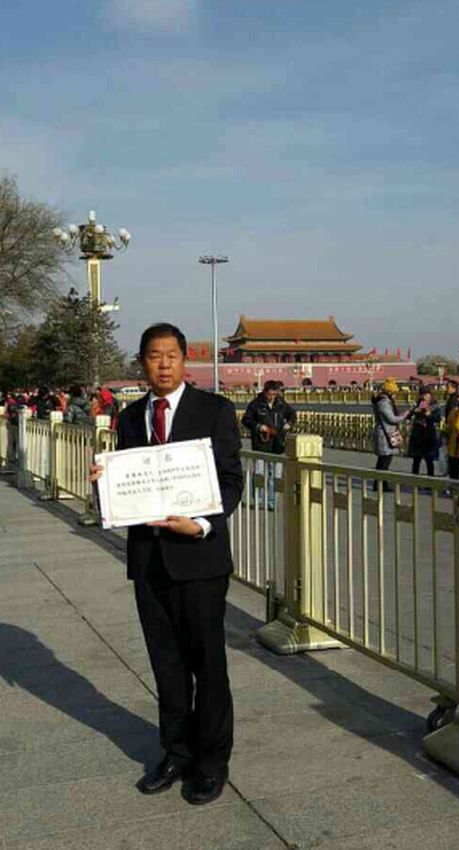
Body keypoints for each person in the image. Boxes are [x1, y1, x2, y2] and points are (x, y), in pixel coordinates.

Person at [90, 323, 243, 806]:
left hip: (199, 558)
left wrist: (201, 524)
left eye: (171, 355)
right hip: (149, 560)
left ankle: (211, 762)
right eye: (154, 356)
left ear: (184, 360)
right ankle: (176, 751)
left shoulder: (214, 411)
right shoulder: (130, 418)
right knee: (166, 664)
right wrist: (103, 483)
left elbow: (231, 481)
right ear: (142, 362)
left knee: (208, 664)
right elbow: (127, 487)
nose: (163, 364)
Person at [242, 380, 296, 508]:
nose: (272, 397)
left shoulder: (281, 403)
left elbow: (292, 415)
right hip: (261, 444)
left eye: (274, 394)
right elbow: (246, 420)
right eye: (270, 394)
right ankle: (258, 499)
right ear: (265, 392)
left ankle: (272, 501)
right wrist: (259, 427)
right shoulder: (256, 404)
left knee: (275, 475)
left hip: (278, 444)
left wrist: (289, 424)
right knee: (260, 473)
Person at [371, 378, 410, 490]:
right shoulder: (384, 402)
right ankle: (381, 485)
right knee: (384, 460)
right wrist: (404, 415)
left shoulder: (383, 400)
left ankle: (380, 484)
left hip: (386, 432)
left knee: (383, 460)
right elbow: (391, 419)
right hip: (385, 434)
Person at [407, 390, 441, 476]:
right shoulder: (417, 404)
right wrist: (414, 411)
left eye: (427, 395)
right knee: (416, 459)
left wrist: (429, 414)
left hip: (429, 435)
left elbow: (437, 419)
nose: (425, 397)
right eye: (423, 395)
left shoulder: (435, 406)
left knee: (429, 459)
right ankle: (415, 478)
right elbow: (408, 416)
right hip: (417, 435)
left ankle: (430, 478)